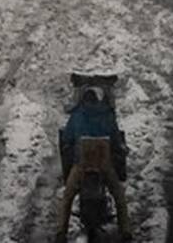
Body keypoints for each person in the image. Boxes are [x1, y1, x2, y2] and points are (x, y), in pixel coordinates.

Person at [55, 87, 133, 243]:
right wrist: (120, 148)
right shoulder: (107, 115)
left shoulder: (76, 116)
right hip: (104, 164)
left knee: (68, 196)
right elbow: (116, 139)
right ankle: (125, 230)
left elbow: (67, 138)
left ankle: (61, 232)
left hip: (81, 164)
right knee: (118, 195)